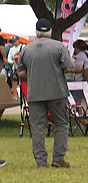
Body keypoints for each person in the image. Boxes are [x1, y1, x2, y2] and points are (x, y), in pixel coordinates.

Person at [18, 19, 76, 168]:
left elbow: (21, 73)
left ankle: (40, 162)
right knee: (62, 124)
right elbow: (69, 68)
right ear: (50, 32)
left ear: (36, 32)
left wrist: (35, 72)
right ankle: (58, 158)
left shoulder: (26, 49)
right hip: (56, 92)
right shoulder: (58, 46)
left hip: (35, 93)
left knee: (37, 127)